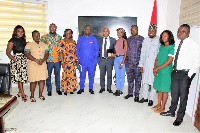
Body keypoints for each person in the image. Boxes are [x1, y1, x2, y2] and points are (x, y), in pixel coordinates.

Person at [160, 24, 200, 126]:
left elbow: (197, 61)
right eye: (178, 31)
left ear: (188, 32)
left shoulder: (193, 44)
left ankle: (179, 117)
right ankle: (171, 111)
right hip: (175, 72)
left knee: (183, 96)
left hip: (185, 74)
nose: (180, 33)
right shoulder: (177, 43)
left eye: (183, 31)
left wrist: (189, 75)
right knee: (174, 94)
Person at [152, 30, 175, 113]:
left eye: (165, 36)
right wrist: (154, 68)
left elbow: (169, 61)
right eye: (162, 36)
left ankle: (163, 107)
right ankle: (158, 104)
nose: (163, 38)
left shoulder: (172, 47)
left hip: (166, 72)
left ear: (169, 37)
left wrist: (157, 68)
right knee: (159, 88)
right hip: (159, 71)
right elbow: (157, 58)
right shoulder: (161, 46)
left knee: (164, 89)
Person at [138, 24, 160, 106]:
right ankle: (144, 97)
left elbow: (159, 55)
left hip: (154, 65)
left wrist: (157, 67)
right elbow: (142, 53)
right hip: (145, 64)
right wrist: (141, 65)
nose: (151, 32)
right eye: (150, 31)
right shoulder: (145, 40)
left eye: (153, 31)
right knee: (144, 81)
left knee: (153, 82)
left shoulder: (159, 41)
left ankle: (151, 99)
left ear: (155, 31)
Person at [25, 30, 49, 102]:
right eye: (35, 35)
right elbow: (27, 54)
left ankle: (40, 95)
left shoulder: (44, 44)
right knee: (33, 81)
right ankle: (32, 96)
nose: (37, 37)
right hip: (33, 64)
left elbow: (47, 53)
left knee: (42, 80)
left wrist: (43, 59)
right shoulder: (29, 44)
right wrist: (35, 60)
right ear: (32, 36)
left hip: (42, 64)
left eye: (38, 35)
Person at [6, 25, 28, 102]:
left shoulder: (23, 40)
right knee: (19, 78)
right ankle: (23, 93)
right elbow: (8, 53)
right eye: (19, 31)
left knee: (22, 78)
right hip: (16, 60)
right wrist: (14, 60)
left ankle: (19, 92)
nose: (21, 33)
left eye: (22, 31)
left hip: (23, 59)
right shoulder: (12, 40)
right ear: (16, 32)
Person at [76, 25, 99, 94]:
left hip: (92, 62)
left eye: (89, 29)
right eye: (86, 29)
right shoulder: (80, 39)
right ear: (84, 30)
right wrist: (77, 59)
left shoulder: (93, 39)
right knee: (82, 75)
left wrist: (95, 60)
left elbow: (96, 50)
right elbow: (77, 50)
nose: (87, 30)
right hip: (82, 62)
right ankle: (81, 88)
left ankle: (90, 88)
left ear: (90, 30)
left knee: (91, 76)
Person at [41, 23, 62, 96]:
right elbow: (40, 46)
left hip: (57, 60)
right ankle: (49, 90)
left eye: (54, 28)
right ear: (49, 28)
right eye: (51, 28)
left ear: (56, 28)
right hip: (48, 60)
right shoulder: (44, 37)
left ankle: (58, 89)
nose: (52, 29)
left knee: (57, 75)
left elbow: (61, 48)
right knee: (48, 76)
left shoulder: (59, 37)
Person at [124, 25, 144, 101]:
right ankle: (130, 93)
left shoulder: (142, 39)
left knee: (138, 80)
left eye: (135, 30)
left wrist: (142, 64)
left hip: (138, 64)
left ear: (137, 30)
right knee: (130, 80)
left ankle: (136, 95)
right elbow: (126, 51)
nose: (133, 31)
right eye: (132, 30)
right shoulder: (128, 39)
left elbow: (144, 53)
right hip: (129, 64)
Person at [58, 29, 78, 96]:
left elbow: (75, 52)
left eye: (69, 33)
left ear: (71, 34)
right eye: (67, 33)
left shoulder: (74, 41)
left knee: (72, 76)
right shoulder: (62, 41)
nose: (68, 34)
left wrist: (76, 60)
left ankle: (71, 89)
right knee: (66, 75)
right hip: (66, 61)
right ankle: (65, 89)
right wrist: (62, 62)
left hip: (72, 62)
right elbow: (60, 52)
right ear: (65, 33)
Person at [98, 28, 116, 93]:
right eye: (104, 31)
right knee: (102, 75)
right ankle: (102, 87)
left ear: (109, 32)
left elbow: (115, 50)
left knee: (109, 75)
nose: (105, 32)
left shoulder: (113, 40)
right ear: (103, 32)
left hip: (109, 60)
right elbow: (97, 50)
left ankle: (109, 88)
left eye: (107, 31)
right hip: (102, 60)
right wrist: (98, 60)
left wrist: (113, 55)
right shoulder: (99, 40)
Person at [113, 28, 128, 97]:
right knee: (117, 75)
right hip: (116, 58)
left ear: (123, 33)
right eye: (118, 32)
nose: (119, 34)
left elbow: (126, 53)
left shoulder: (124, 41)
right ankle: (118, 89)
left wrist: (122, 63)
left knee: (122, 76)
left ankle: (121, 90)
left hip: (122, 59)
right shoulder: (116, 41)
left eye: (120, 32)